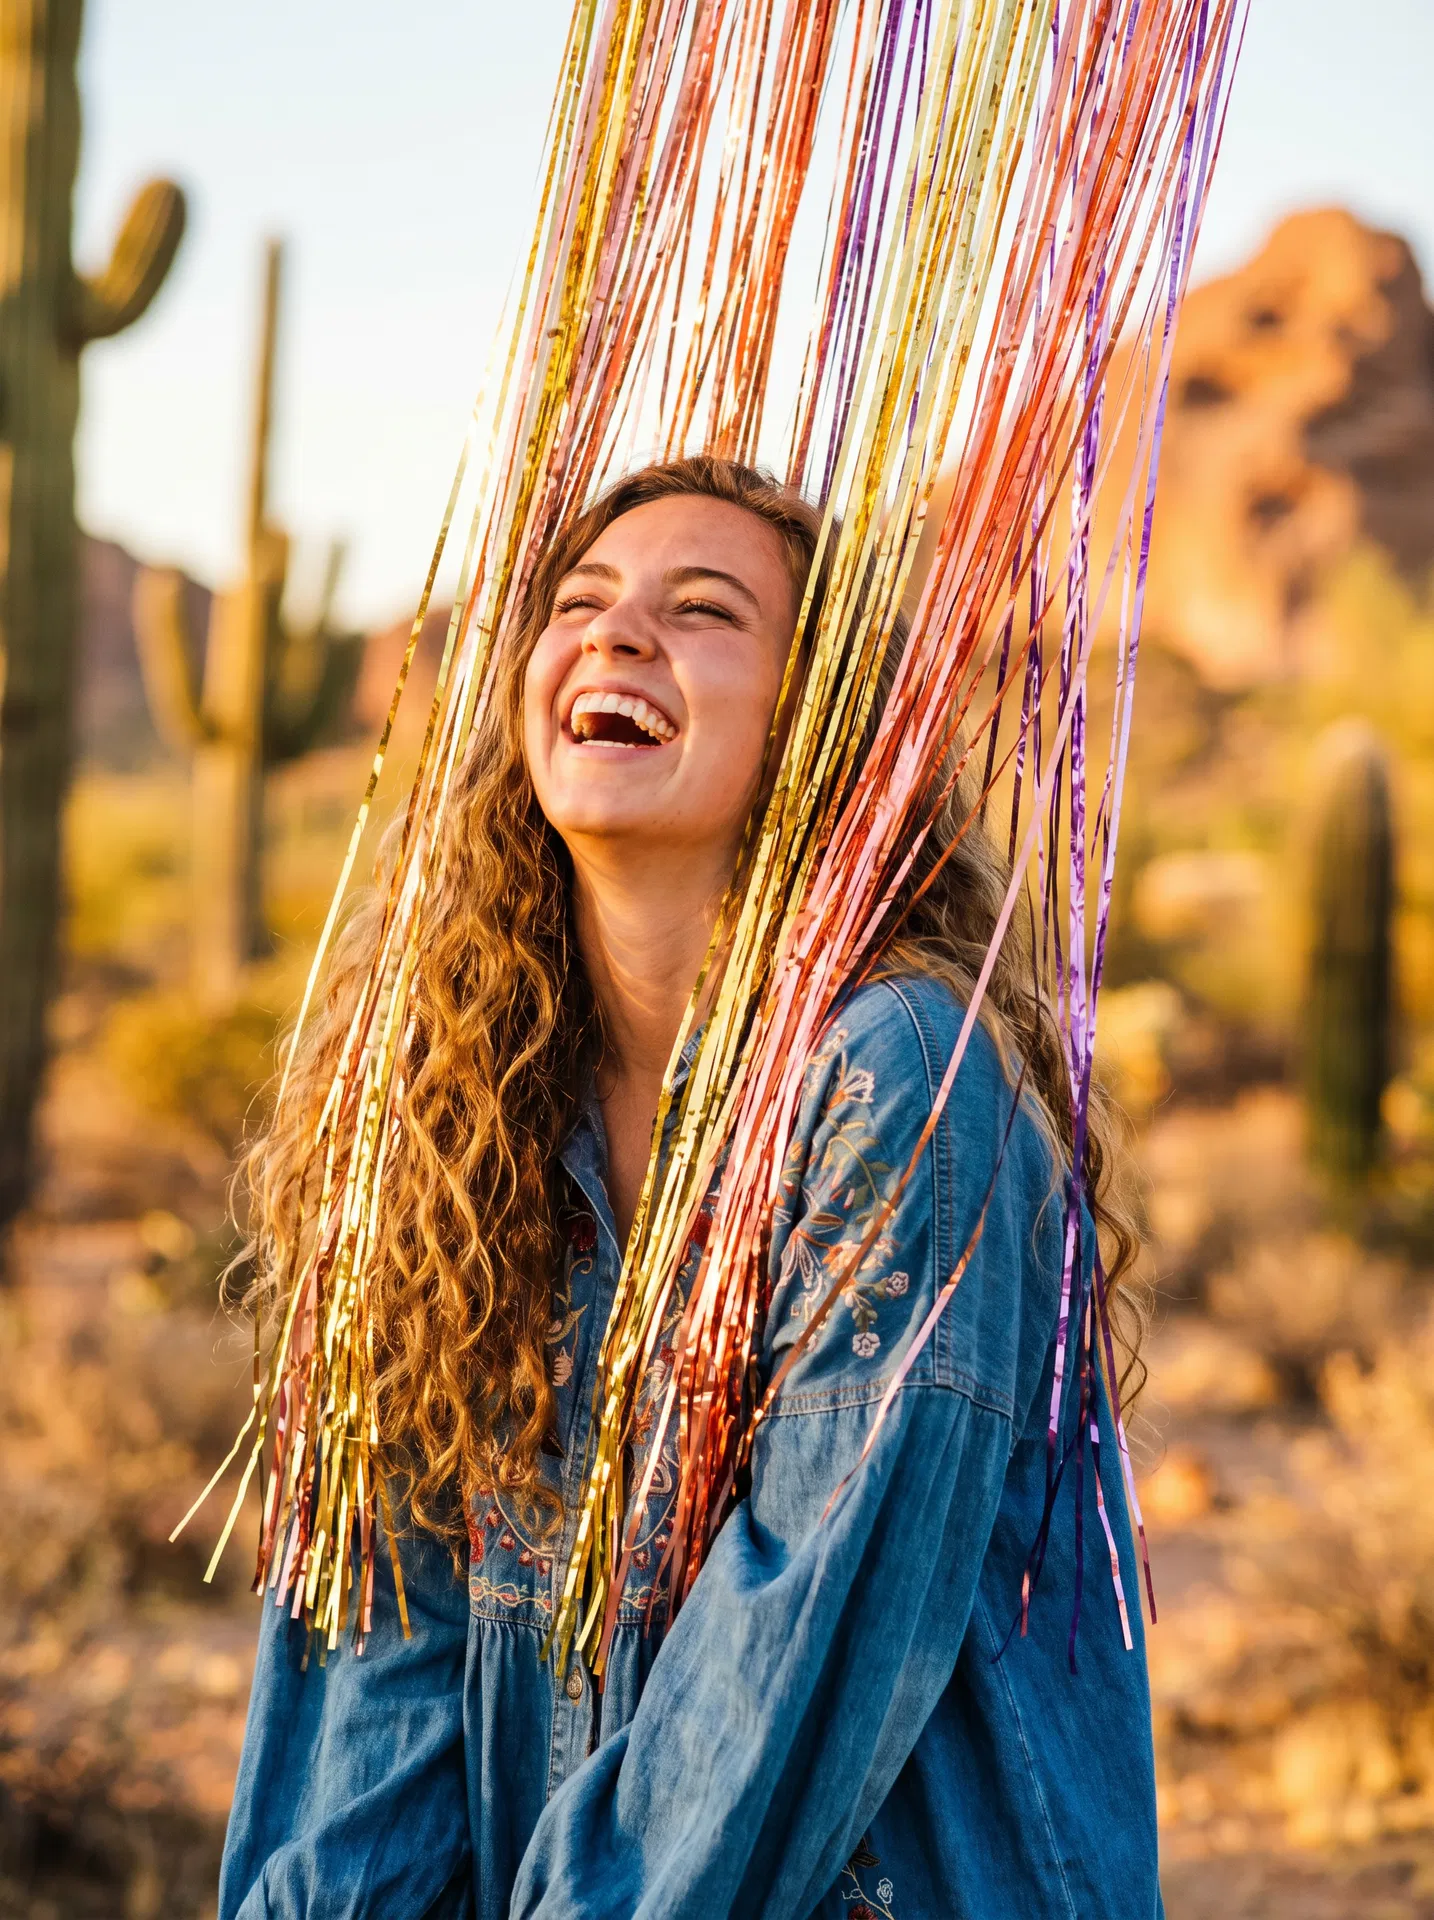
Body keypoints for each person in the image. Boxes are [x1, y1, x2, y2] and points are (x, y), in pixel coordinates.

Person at [219, 456, 1161, 1920]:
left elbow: (789, 1673)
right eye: (579, 604)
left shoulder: (896, 1082)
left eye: (703, 610)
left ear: (819, 726)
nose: (613, 633)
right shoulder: (448, 1124)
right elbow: (377, 1691)